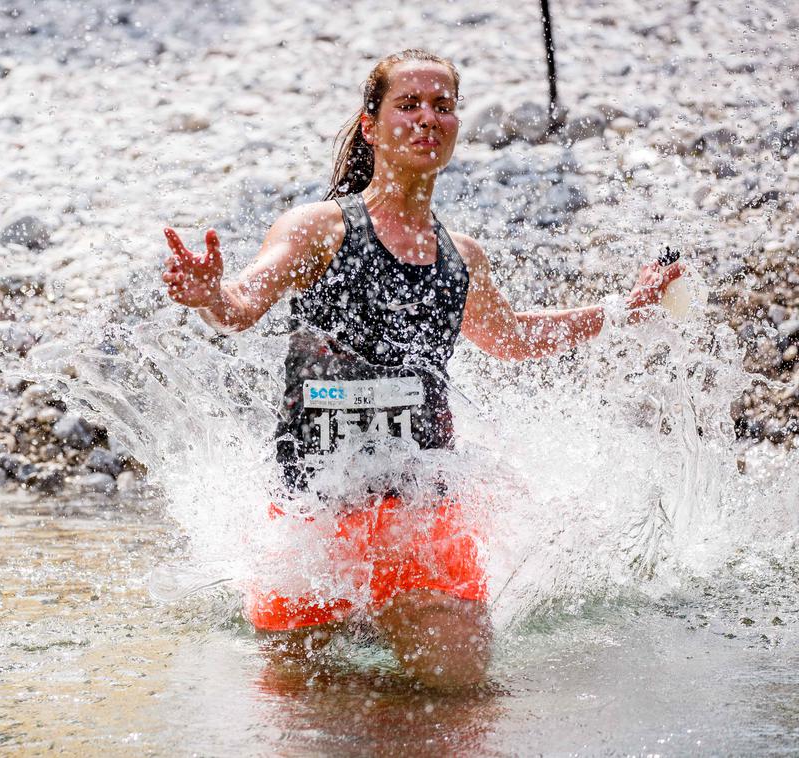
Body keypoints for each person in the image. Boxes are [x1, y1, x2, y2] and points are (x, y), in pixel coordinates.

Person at [161, 50, 682, 691]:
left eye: (443, 105)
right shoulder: (318, 230)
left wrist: (619, 311)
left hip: (423, 514)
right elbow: (240, 304)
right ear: (371, 126)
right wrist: (209, 294)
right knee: (314, 723)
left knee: (459, 695)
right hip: (315, 525)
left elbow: (513, 338)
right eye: (407, 105)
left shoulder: (462, 257)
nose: (427, 118)